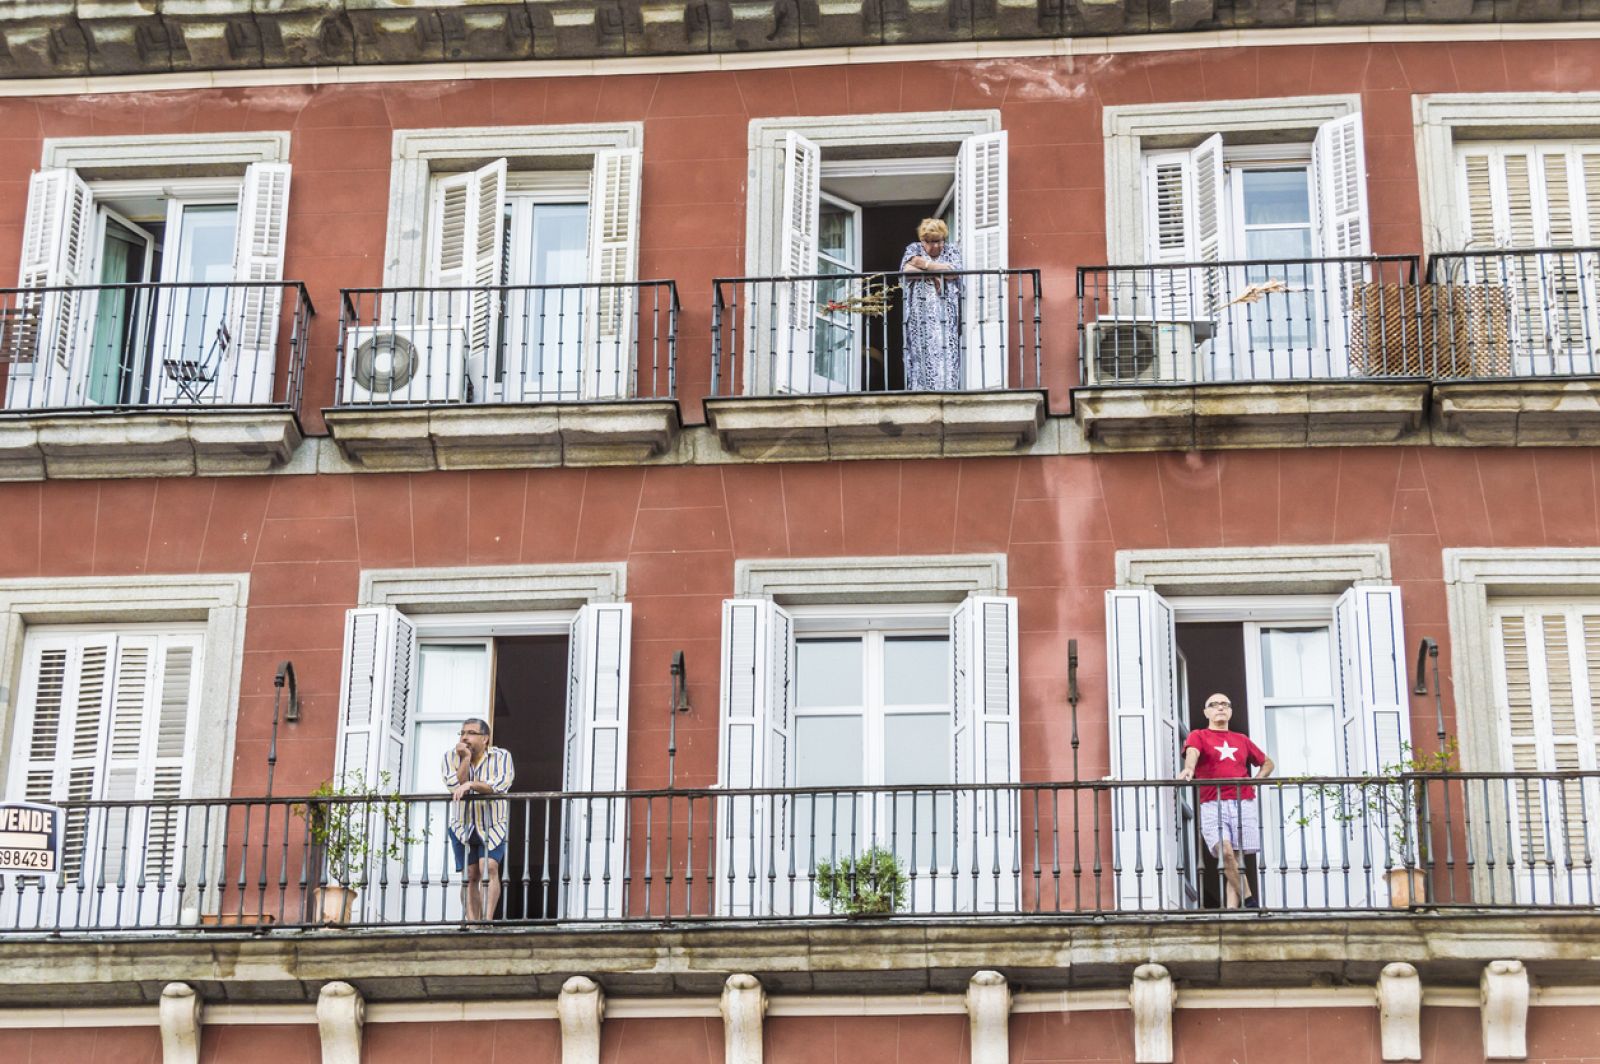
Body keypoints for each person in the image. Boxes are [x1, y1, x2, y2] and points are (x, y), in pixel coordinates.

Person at [1176, 693, 1274, 909]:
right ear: (1206, 712)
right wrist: (1189, 768)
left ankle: (1232, 911)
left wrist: (1255, 782)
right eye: (1214, 704)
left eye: (1225, 704)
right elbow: (1192, 752)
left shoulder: (1242, 739)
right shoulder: (1199, 735)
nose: (1220, 707)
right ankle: (1250, 902)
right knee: (1226, 851)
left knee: (1236, 860)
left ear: (1230, 711)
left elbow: (1267, 763)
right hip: (1213, 801)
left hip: (1243, 801)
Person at [441, 718, 515, 921]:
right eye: (462, 733)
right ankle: (473, 924)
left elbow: (500, 784)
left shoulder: (501, 757)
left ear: (485, 738)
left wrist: (472, 785)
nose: (465, 737)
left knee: (489, 867)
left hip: (492, 824)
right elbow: (454, 785)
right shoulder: (450, 757)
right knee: (470, 875)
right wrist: (465, 759)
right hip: (462, 825)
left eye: (471, 733)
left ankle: (487, 921)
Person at [900, 218, 964, 391]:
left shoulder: (952, 250)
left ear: (943, 239)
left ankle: (947, 389)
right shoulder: (913, 248)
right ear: (922, 240)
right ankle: (921, 390)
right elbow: (906, 272)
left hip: (946, 311)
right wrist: (934, 274)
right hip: (919, 314)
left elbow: (953, 272)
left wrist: (924, 264)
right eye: (929, 242)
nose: (934, 246)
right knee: (921, 350)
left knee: (946, 350)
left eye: (938, 241)